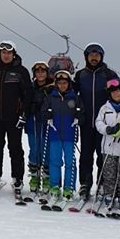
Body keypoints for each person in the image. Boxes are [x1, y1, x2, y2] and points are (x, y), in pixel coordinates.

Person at [0, 41, 33, 199]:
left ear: (14, 54)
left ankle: (18, 179)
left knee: (16, 149)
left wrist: (24, 114)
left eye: (9, 53)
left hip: (14, 118)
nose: (6, 55)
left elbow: (28, 95)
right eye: (3, 52)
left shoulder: (21, 71)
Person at [73, 43, 120, 199]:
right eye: (91, 55)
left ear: (101, 57)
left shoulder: (109, 74)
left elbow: (119, 93)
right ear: (86, 57)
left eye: (97, 55)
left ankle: (102, 184)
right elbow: (71, 94)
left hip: (103, 125)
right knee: (86, 155)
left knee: (102, 156)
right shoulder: (81, 75)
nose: (94, 58)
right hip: (86, 123)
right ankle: (85, 185)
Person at [38, 69, 81, 203]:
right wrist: (48, 115)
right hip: (54, 133)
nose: (62, 85)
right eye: (60, 83)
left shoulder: (75, 97)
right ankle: (54, 186)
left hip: (69, 134)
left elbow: (82, 113)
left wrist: (79, 116)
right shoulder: (51, 97)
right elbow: (43, 112)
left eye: (65, 83)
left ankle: (69, 187)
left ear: (69, 84)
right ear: (56, 84)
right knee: (55, 162)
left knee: (70, 162)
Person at [94, 78, 120, 211]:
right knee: (109, 173)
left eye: (118, 92)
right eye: (112, 92)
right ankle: (109, 194)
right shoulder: (105, 108)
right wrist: (107, 129)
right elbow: (98, 123)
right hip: (108, 147)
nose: (115, 94)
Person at [26, 61, 53, 195]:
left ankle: (47, 178)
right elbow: (25, 101)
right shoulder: (31, 87)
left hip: (47, 123)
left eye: (43, 72)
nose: (40, 74)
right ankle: (35, 177)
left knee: (46, 150)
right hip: (33, 122)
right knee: (34, 149)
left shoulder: (52, 88)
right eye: (38, 72)